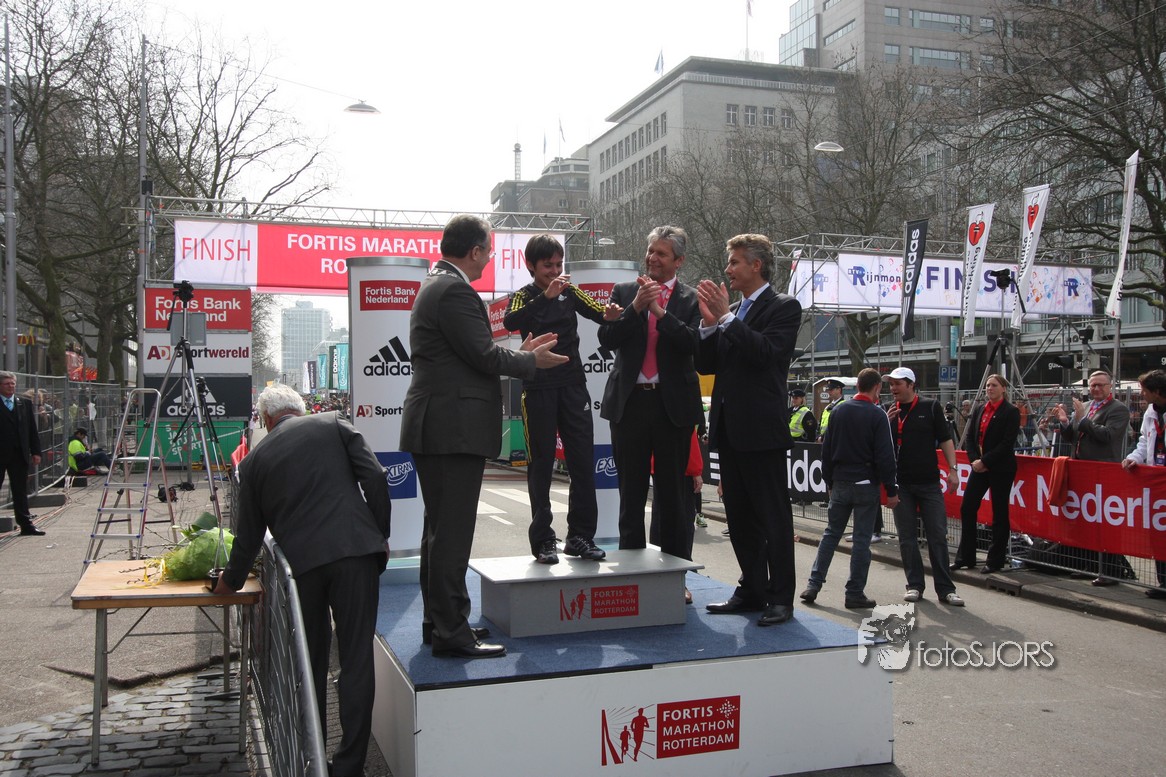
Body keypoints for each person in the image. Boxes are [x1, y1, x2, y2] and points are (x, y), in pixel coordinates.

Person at [400, 214, 567, 659]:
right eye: (488, 252)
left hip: (441, 425)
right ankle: (451, 631)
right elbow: (483, 355)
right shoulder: (454, 290)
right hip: (451, 428)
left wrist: (520, 355)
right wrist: (529, 361)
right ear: (474, 251)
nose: (489, 260)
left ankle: (442, 623)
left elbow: (474, 354)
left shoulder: (437, 286)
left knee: (440, 533)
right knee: (451, 535)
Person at [213, 384, 391, 777]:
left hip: (302, 569)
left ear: (265, 419)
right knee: (356, 660)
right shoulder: (333, 423)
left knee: (309, 664)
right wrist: (378, 534)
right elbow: (377, 477)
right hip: (356, 554)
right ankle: (350, 766)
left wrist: (229, 582)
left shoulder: (253, 462)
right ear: (301, 408)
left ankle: (313, 758)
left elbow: (248, 536)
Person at [697, 234, 802, 626]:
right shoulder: (732, 311)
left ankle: (781, 597)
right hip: (729, 429)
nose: (728, 269)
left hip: (761, 431)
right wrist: (709, 325)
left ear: (756, 265)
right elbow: (708, 365)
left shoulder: (784, 306)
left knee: (773, 518)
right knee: (739, 518)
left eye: (735, 262)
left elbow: (766, 354)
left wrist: (726, 319)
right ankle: (752, 589)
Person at [502, 234, 619, 564]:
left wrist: (611, 313)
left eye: (558, 264)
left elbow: (598, 312)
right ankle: (543, 540)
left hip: (573, 386)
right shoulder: (523, 296)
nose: (555, 272)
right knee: (541, 464)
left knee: (582, 461)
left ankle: (580, 537)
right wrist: (545, 298)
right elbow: (511, 321)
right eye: (547, 266)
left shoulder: (570, 290)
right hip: (538, 386)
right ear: (531, 265)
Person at [598, 225, 703, 562]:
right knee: (631, 494)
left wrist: (659, 312)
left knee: (672, 497)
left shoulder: (691, 299)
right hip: (629, 404)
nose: (652, 258)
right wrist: (635, 308)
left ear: (678, 261)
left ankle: (674, 573)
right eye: (650, 251)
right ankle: (632, 571)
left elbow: (692, 343)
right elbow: (607, 339)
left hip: (672, 407)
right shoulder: (625, 291)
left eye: (661, 253)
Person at [801, 368, 898, 610]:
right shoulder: (877, 414)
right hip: (865, 483)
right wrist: (891, 489)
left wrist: (829, 481)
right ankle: (854, 592)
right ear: (877, 387)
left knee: (831, 534)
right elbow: (885, 455)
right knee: (861, 541)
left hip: (840, 482)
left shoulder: (838, 411)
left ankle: (814, 584)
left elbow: (826, 451)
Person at [884, 367, 964, 606]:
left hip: (929, 483)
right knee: (907, 537)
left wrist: (953, 470)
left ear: (911, 384)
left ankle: (946, 589)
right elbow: (879, 444)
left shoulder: (930, 407)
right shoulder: (888, 411)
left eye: (897, 384)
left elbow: (946, 439)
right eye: (891, 384)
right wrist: (885, 422)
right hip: (901, 484)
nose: (893, 388)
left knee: (937, 535)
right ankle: (914, 585)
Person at [1046, 370, 1132, 586]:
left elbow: (1107, 435)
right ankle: (1089, 565)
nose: (1096, 389)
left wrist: (1083, 419)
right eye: (1093, 385)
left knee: (1106, 522)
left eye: (1101, 385)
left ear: (1110, 387)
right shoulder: (1085, 406)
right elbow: (1074, 436)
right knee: (1086, 520)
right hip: (1082, 471)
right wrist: (1065, 422)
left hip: (1103, 473)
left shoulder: (1118, 409)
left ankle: (1110, 570)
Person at [952, 374, 1020, 574]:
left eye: (994, 385)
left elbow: (1007, 443)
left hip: (1001, 468)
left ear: (1003, 388)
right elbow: (970, 437)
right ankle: (966, 557)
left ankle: (995, 560)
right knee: (967, 507)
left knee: (999, 512)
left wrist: (985, 461)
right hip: (979, 466)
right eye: (988, 385)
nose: (990, 388)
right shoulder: (980, 409)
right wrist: (975, 461)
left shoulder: (1011, 411)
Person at [1122, 369, 1166, 598]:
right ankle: (1163, 582)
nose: (1142, 395)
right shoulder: (1151, 412)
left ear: (1157, 391)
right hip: (1156, 482)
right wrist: (1134, 458)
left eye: (1144, 390)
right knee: (1158, 532)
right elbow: (1143, 442)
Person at [0, 371, 44, 536]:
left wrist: (36, 451)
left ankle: (26, 525)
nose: (10, 386)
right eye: (7, 384)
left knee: (20, 489)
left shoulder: (23, 403)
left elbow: (32, 429)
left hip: (19, 454)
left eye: (12, 383)